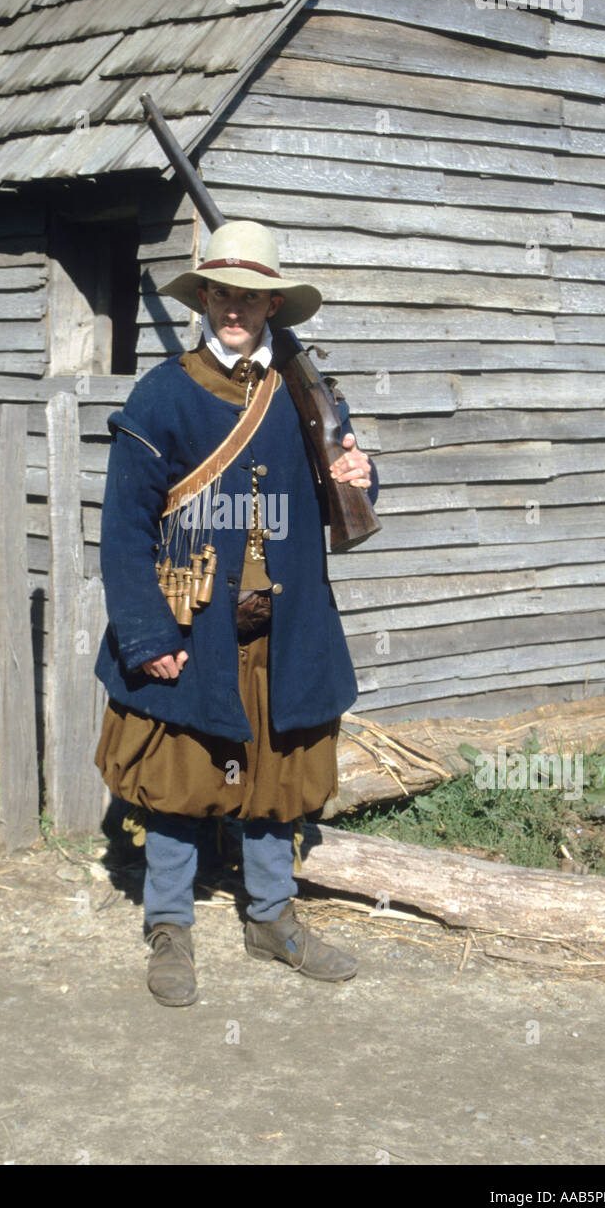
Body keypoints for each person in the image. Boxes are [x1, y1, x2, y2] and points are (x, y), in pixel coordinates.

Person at [94, 220, 379, 1006]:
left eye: (251, 296)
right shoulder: (162, 393)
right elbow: (123, 529)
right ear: (205, 297)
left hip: (283, 625)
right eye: (223, 292)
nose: (235, 308)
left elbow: (350, 482)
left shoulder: (303, 387)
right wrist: (147, 632)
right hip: (193, 624)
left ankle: (272, 919)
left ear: (271, 305)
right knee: (179, 781)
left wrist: (361, 471)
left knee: (275, 776)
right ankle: (170, 928)